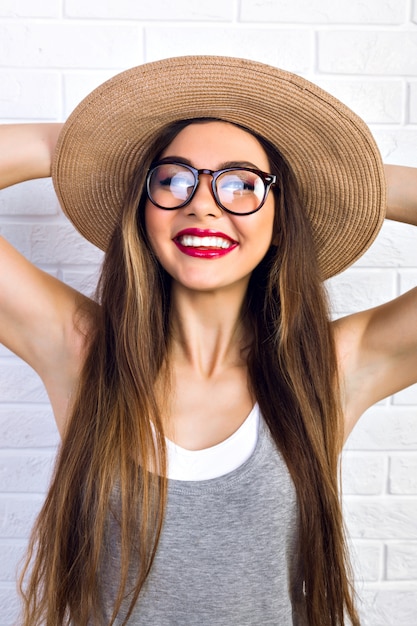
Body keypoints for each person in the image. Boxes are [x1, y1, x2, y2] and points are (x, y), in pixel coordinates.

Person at [0, 55, 416, 626]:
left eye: (242, 185)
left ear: (281, 217)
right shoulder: (81, 351)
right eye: (172, 178)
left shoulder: (329, 368)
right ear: (142, 210)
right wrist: (74, 146)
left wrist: (357, 178)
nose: (202, 203)